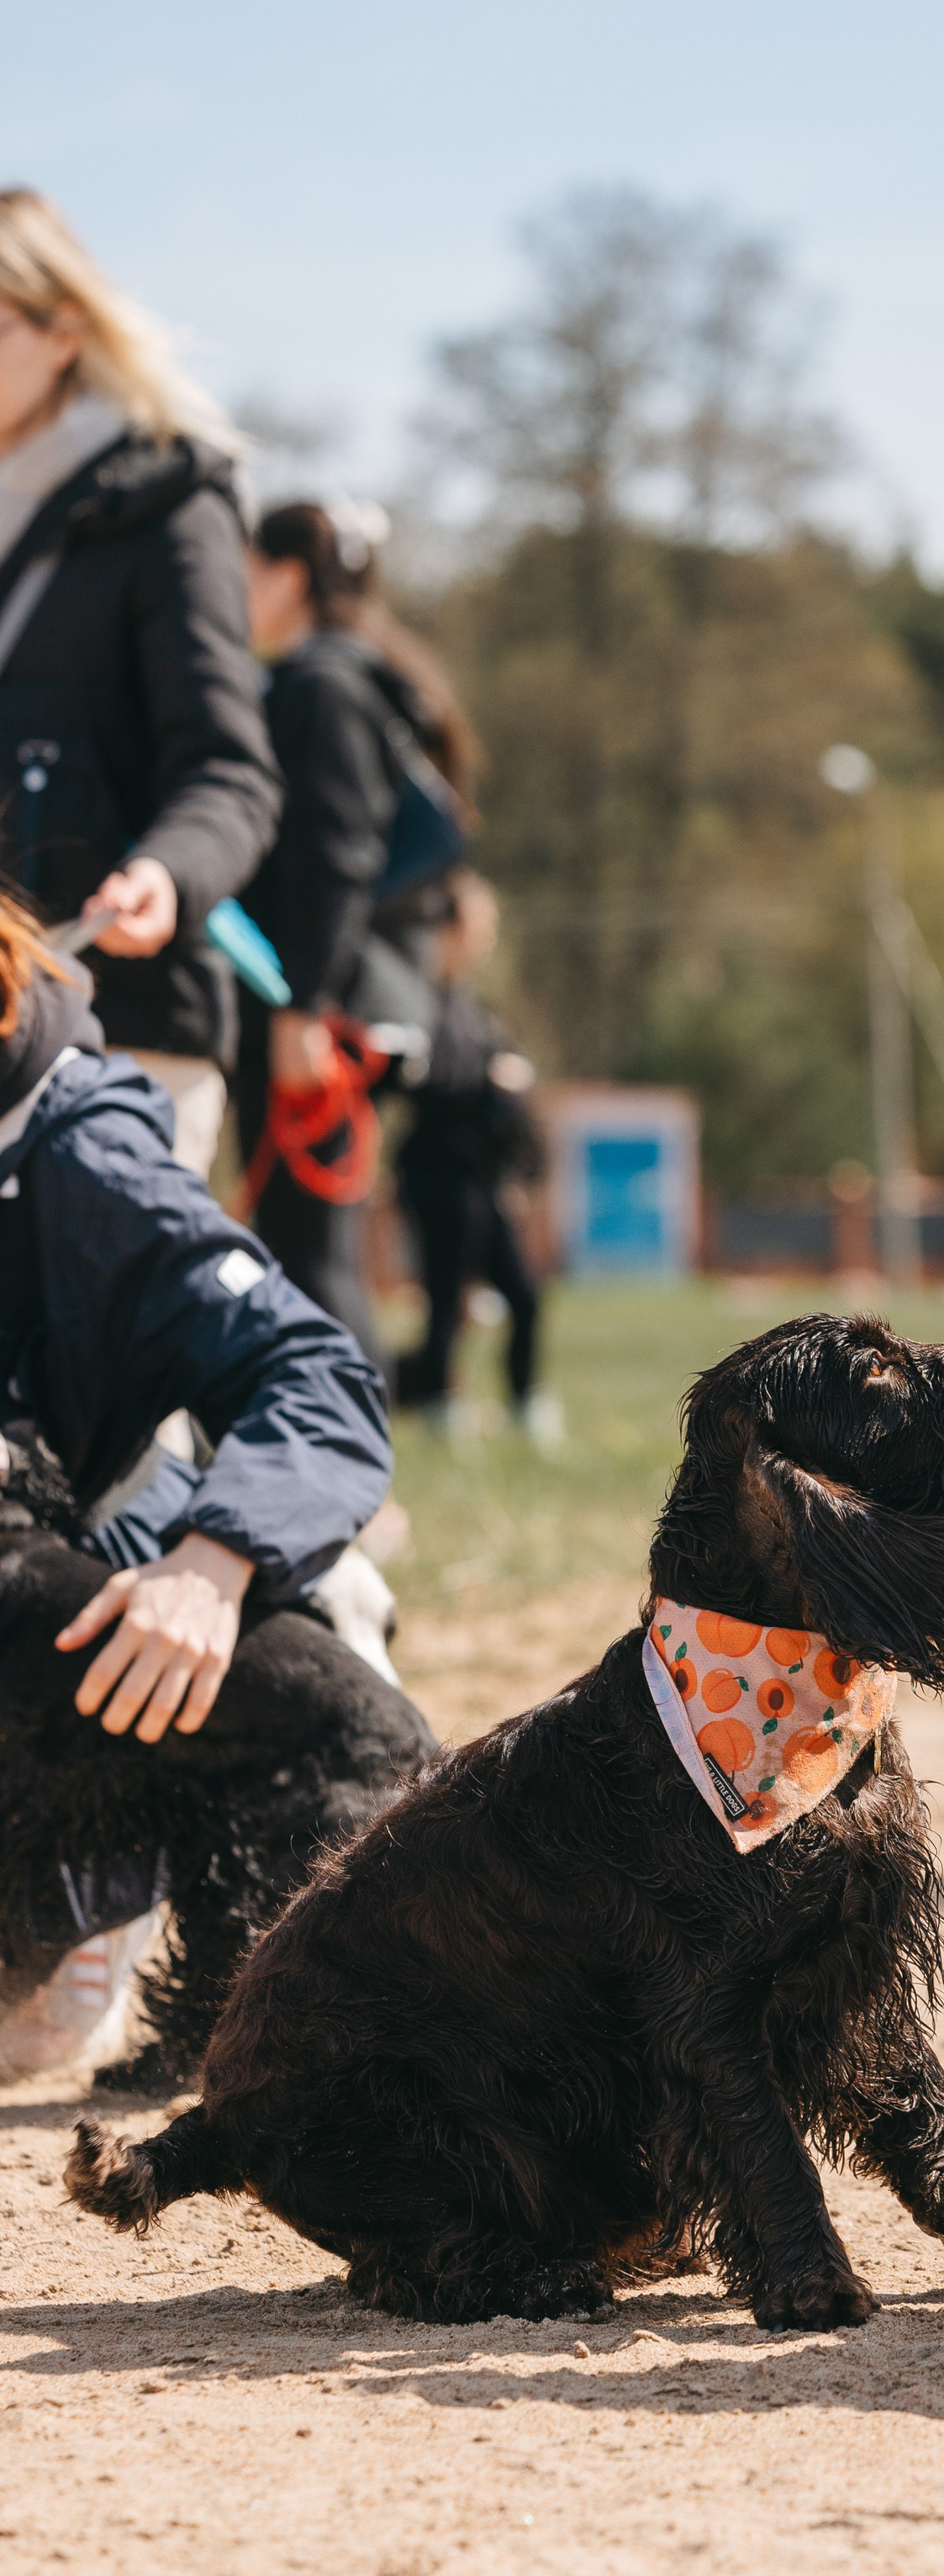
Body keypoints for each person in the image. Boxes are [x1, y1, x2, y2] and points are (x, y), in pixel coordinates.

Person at [0, 895, 404, 2073]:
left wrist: (216, 1560)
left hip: (63, 1572)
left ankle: (112, 1896)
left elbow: (313, 1374)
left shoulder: (77, 1147)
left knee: (352, 1697)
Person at [0, 189, 280, 1175]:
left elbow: (230, 772)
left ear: (62, 328)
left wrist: (167, 870)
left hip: (124, 1035)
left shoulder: (168, 505)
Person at [234, 498, 478, 1362]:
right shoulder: (358, 678)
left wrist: (304, 1005)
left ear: (289, 576)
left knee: (313, 1252)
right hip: (341, 1000)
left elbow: (336, 859)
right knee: (305, 1243)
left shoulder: (319, 686)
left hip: (321, 1013)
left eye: (247, 566)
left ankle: (351, 1475)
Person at [390, 872, 551, 1437]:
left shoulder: (470, 1004)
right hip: (440, 1178)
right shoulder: (419, 999)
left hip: (485, 1181)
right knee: (445, 1304)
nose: (488, 936)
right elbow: (426, 1083)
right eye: (483, 923)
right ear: (451, 927)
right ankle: (437, 1407)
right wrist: (492, 1077)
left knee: (525, 1297)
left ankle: (527, 1405)